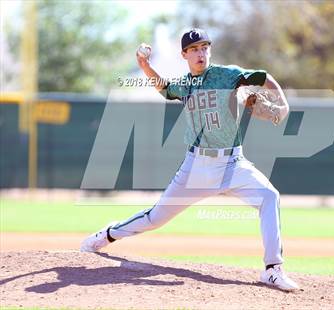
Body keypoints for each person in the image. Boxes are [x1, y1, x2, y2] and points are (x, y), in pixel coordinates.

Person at [81, 28, 299, 291]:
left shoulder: (227, 74)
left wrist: (283, 104)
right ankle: (106, 235)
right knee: (155, 219)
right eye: (194, 49)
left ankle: (273, 269)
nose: (201, 53)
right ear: (184, 54)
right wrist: (145, 66)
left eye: (205, 47)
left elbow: (264, 78)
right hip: (196, 166)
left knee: (269, 197)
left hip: (233, 163)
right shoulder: (185, 84)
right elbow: (164, 89)